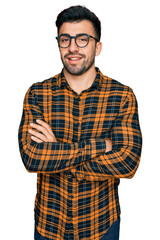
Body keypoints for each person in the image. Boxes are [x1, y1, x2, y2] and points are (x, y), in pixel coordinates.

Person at [18, 5, 142, 240]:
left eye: (82, 39)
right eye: (65, 39)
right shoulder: (37, 94)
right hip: (49, 224)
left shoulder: (122, 96)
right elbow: (32, 157)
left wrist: (56, 151)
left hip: (101, 224)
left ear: (98, 46)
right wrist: (101, 146)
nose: (72, 47)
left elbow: (128, 162)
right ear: (58, 44)